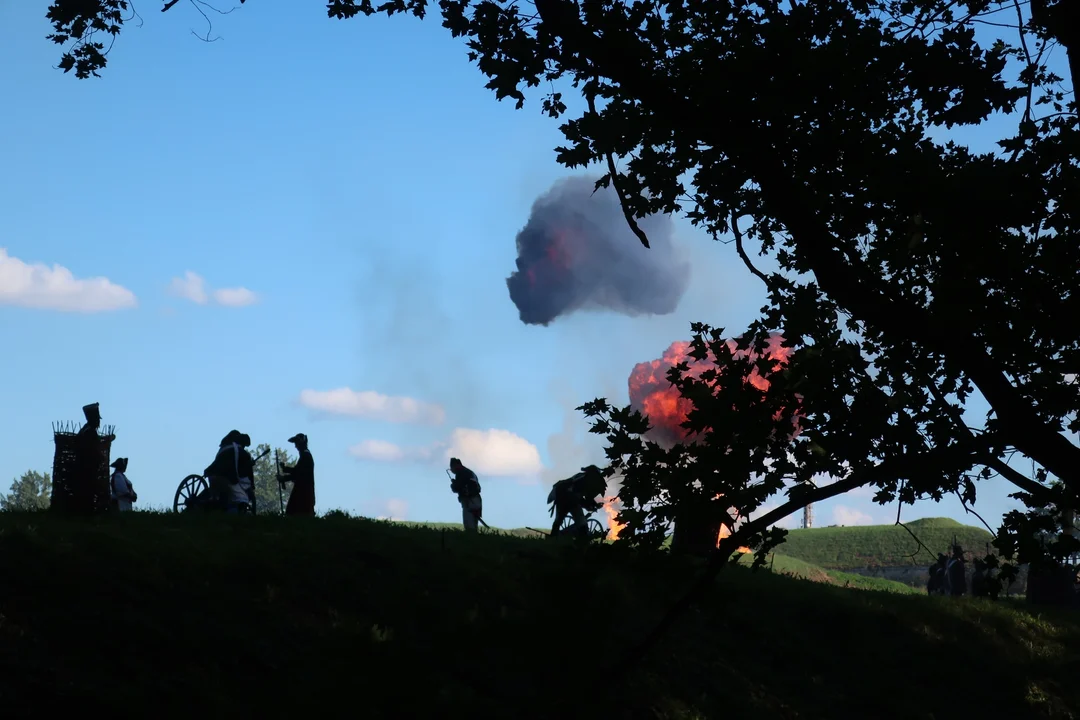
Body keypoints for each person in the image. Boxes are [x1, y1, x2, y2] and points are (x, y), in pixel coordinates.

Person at [74, 402, 116, 513]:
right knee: (88, 489)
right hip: (87, 467)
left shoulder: (85, 430)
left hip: (84, 466)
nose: (99, 422)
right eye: (97, 419)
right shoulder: (89, 432)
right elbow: (94, 448)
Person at [204, 430, 256, 513]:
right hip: (228, 480)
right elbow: (246, 471)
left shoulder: (223, 449)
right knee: (241, 498)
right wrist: (252, 485)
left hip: (212, 476)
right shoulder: (243, 453)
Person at [548, 465, 606, 538]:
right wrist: (590, 506)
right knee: (581, 523)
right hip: (568, 501)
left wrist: (593, 505)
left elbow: (587, 497)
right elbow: (579, 497)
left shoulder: (582, 478)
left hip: (565, 500)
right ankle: (582, 540)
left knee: (558, 521)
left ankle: (553, 537)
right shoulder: (582, 480)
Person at [279, 433, 316, 517]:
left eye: (297, 444)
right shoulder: (305, 456)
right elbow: (297, 471)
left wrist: (284, 478)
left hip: (304, 492)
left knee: (295, 513)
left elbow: (298, 473)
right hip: (302, 490)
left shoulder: (306, 456)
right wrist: (285, 469)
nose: (296, 446)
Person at [448, 457, 483, 533]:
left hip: (470, 501)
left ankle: (471, 541)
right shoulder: (469, 472)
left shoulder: (461, 473)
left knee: (469, 525)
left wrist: (453, 485)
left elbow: (458, 487)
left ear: (455, 466)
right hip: (476, 500)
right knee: (473, 524)